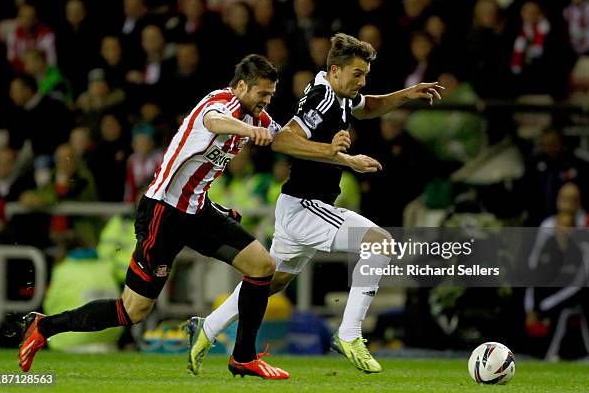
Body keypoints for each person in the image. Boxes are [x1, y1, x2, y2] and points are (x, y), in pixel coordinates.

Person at [18, 54, 290, 380]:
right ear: (242, 86)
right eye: (262, 93)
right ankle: (44, 326)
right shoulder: (220, 103)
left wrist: (332, 151)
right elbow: (213, 122)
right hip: (163, 211)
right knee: (132, 310)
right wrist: (249, 129)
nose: (267, 101)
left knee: (262, 266)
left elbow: (285, 136)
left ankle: (243, 356)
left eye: (271, 95)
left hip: (197, 210)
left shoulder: (255, 115)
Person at [187, 33, 442, 374]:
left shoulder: (339, 95)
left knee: (272, 282)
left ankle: (207, 327)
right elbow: (282, 140)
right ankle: (350, 334)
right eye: (357, 74)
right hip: (307, 205)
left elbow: (369, 107)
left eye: (365, 74)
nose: (362, 81)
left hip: (298, 207)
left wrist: (407, 94)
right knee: (380, 242)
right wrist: (335, 154)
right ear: (335, 70)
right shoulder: (322, 99)